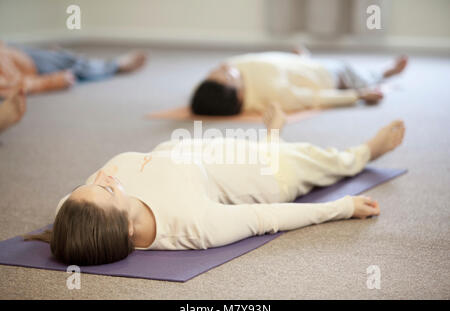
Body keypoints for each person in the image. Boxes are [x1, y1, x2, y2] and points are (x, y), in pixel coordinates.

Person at [24, 103, 405, 266]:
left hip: (200, 149)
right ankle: (363, 152)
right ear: (124, 227)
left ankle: (272, 132)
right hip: (265, 174)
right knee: (314, 157)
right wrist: (343, 207)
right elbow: (265, 216)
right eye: (106, 188)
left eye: (90, 182)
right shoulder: (194, 224)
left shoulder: (75, 211)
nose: (105, 176)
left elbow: (70, 219)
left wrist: (92, 195)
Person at [190, 46, 408, 116]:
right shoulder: (274, 96)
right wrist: (357, 96)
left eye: (215, 71)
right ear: (237, 94)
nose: (223, 68)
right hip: (327, 76)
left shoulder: (229, 68)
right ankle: (384, 71)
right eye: (226, 75)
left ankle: (303, 59)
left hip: (295, 64)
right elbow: (314, 98)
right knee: (353, 73)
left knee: (300, 62)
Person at [0, 41, 147, 97]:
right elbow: (11, 86)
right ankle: (115, 65)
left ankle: (60, 54)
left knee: (59, 56)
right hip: (28, 67)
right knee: (73, 64)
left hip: (14, 53)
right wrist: (50, 82)